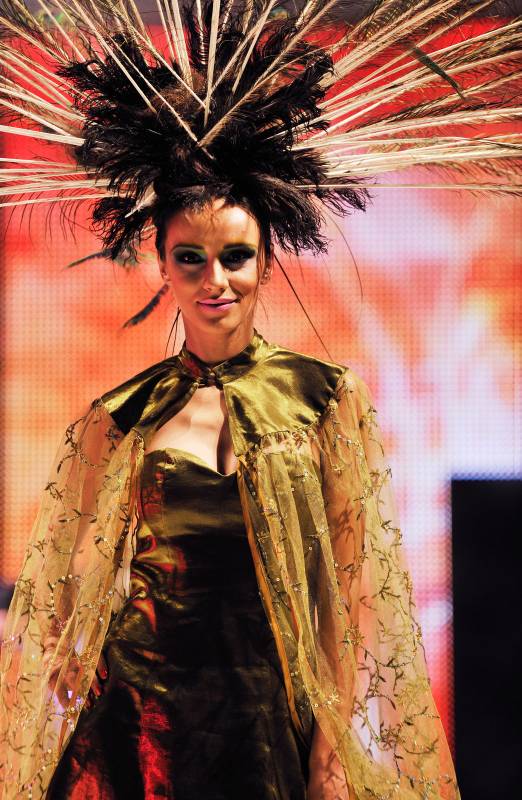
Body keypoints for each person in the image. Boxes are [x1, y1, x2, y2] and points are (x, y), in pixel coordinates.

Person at [0, 1, 519, 798]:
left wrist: (331, 751)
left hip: (273, 723)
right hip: (138, 729)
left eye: (235, 256)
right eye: (191, 257)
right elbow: (61, 602)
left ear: (268, 259)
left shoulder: (324, 399)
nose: (215, 279)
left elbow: (351, 592)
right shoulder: (121, 416)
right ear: (162, 266)